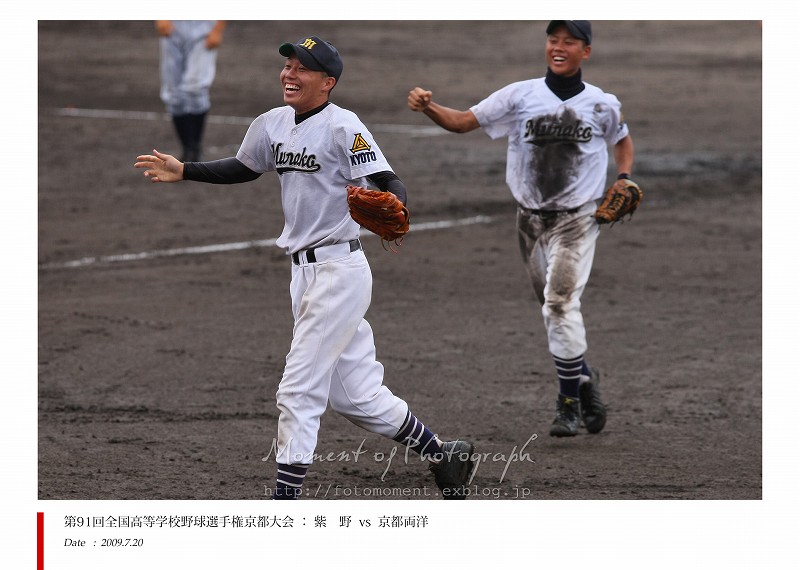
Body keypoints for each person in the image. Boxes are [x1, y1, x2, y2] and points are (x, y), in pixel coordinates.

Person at [135, 35, 475, 499]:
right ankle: (444, 455)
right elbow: (245, 167)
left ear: (328, 82)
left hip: (339, 273)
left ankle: (285, 505)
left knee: (297, 392)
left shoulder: (343, 126)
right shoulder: (271, 123)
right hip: (305, 277)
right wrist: (186, 169)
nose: (290, 74)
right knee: (356, 396)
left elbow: (386, 179)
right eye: (288, 66)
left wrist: (398, 205)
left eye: (303, 69)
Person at [408, 21, 636, 437]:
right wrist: (428, 107)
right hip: (529, 221)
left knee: (560, 304)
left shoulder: (602, 104)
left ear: (586, 51)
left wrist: (622, 177)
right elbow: (462, 122)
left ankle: (567, 404)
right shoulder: (519, 95)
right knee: (552, 310)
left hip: (578, 220)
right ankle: (583, 379)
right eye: (553, 39)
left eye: (569, 41)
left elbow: (621, 139)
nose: (559, 47)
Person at [156, 20, 226, 162]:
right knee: (173, 94)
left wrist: (218, 28)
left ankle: (195, 147)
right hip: (172, 27)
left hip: (203, 27)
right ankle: (188, 148)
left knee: (195, 88)